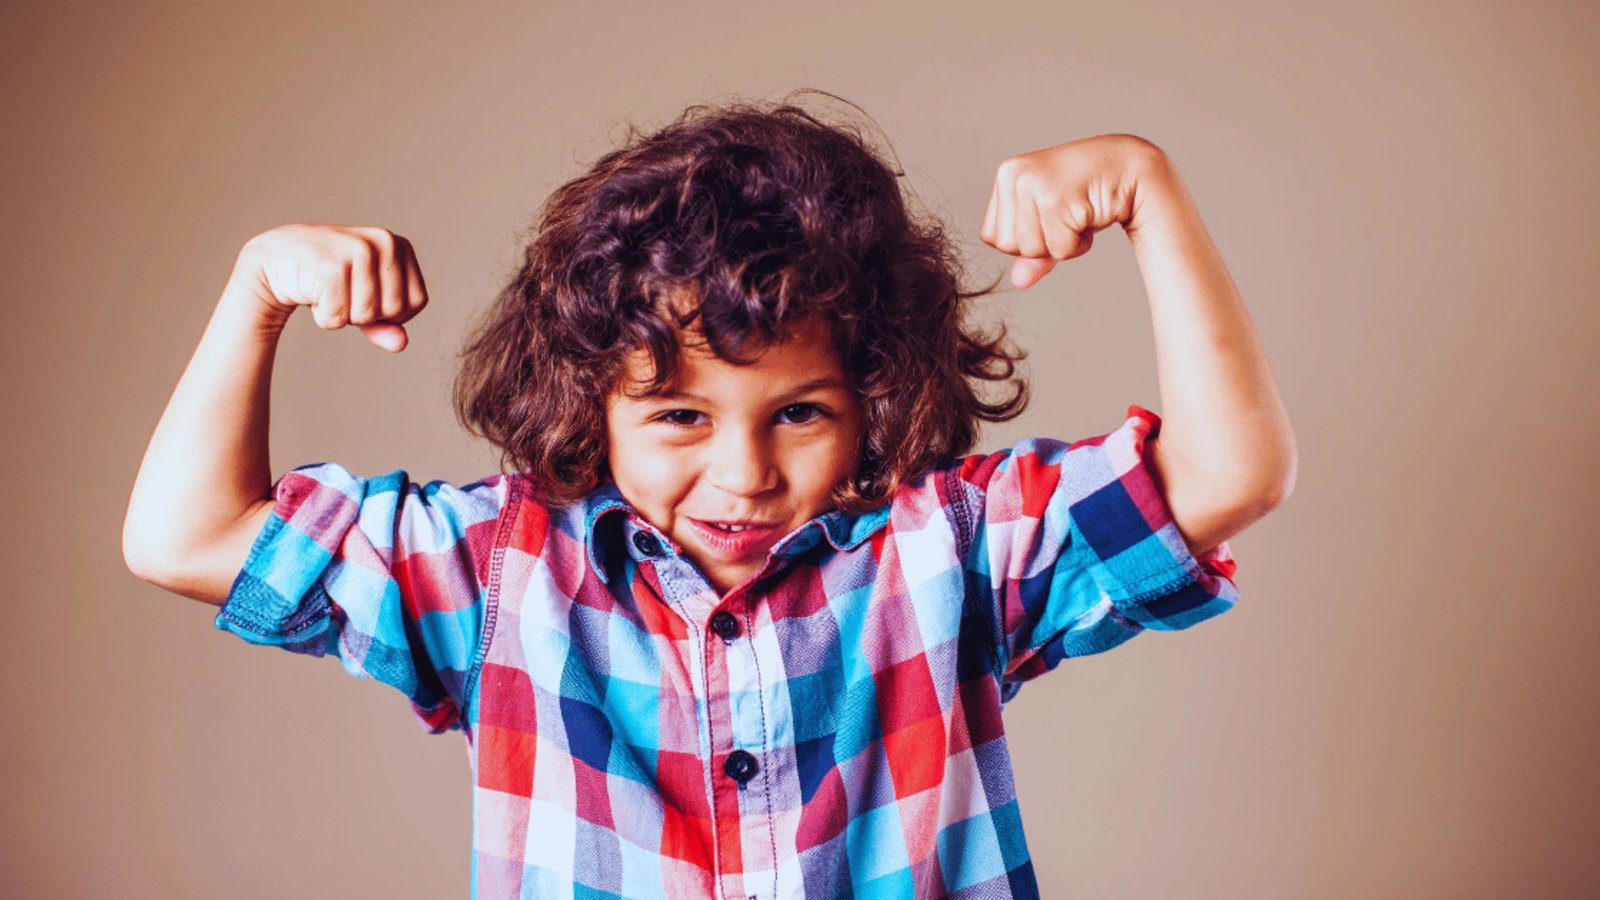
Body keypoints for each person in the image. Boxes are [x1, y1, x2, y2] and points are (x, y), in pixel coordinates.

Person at [123, 93, 1295, 899]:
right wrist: (257, 292)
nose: (743, 474)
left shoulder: (950, 551)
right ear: (586, 403)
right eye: (679, 417)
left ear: (875, 398)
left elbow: (1224, 477)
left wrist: (1148, 193)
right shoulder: (496, 573)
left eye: (800, 413)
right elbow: (189, 538)